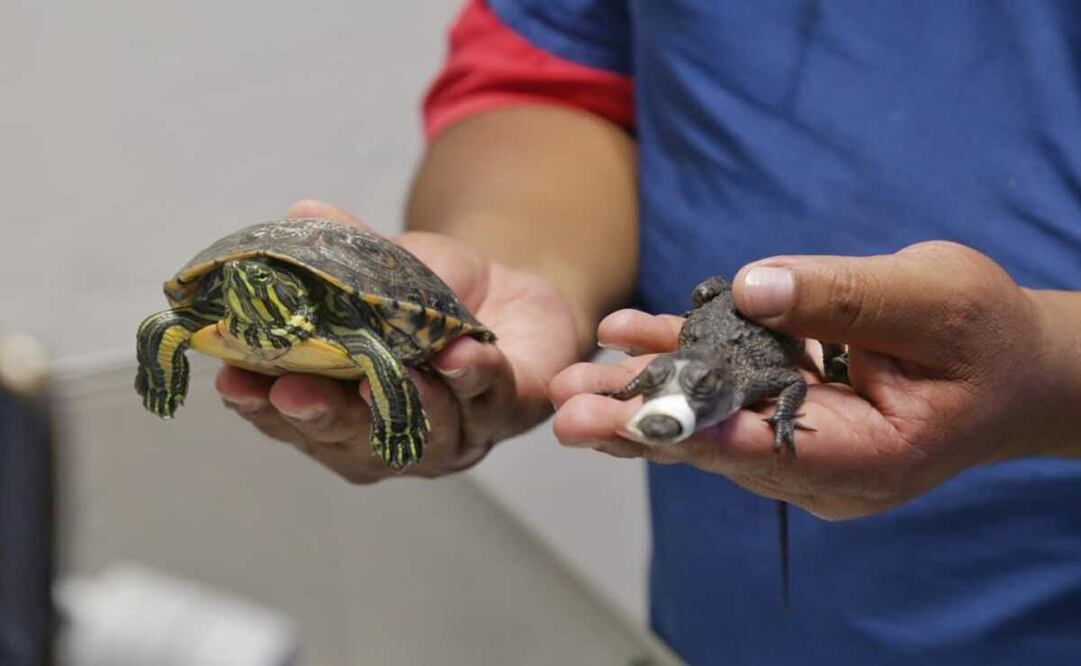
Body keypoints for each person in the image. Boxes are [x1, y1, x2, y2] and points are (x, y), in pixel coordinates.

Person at [216, 1, 1081, 663]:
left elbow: (774, 380)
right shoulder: (694, 369)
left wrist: (1046, 373)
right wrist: (526, 277)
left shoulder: (750, 376)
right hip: (717, 618)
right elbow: (549, 72)